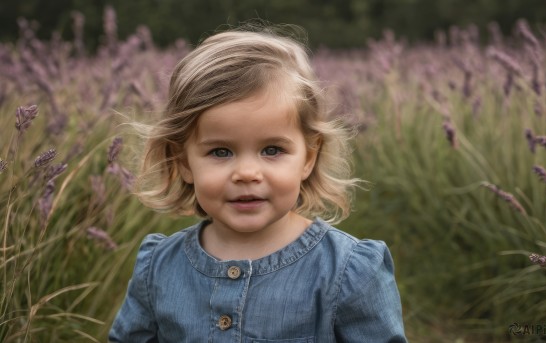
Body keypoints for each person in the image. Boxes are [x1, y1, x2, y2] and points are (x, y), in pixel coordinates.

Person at [109, 24, 408, 343]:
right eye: (220, 151)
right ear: (183, 162)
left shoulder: (349, 272)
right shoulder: (158, 268)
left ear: (308, 157)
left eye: (272, 150)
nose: (247, 173)